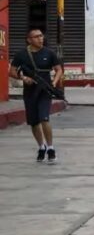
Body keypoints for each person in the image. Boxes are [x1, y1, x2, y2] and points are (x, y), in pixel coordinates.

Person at [9, 28, 63, 163]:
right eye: (37, 36)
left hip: (45, 90)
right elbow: (12, 71)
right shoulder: (21, 54)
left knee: (44, 118)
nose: (41, 38)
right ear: (29, 40)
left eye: (41, 36)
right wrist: (23, 78)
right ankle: (41, 147)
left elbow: (58, 69)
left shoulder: (49, 53)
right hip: (30, 91)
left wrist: (54, 83)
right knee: (34, 122)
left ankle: (51, 148)